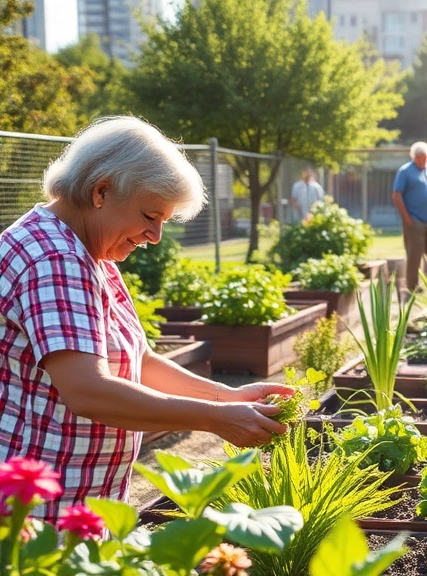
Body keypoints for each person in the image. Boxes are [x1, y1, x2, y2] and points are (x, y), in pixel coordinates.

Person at [0, 116, 292, 523]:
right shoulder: (55, 259)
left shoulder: (90, 253)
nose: (155, 236)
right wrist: (215, 418)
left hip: (77, 500)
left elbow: (140, 362)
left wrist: (227, 396)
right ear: (101, 190)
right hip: (39, 513)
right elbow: (88, 391)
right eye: (150, 216)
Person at [392, 141, 427, 294]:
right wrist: (406, 218)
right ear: (414, 157)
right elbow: (396, 195)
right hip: (414, 219)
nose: (424, 161)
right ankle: (413, 287)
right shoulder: (405, 171)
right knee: (415, 254)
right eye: (421, 158)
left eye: (426, 158)